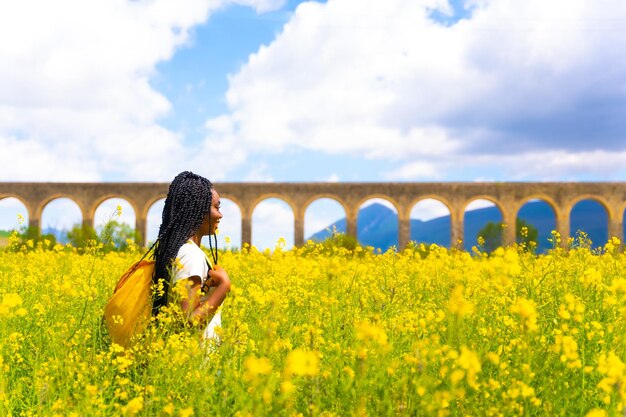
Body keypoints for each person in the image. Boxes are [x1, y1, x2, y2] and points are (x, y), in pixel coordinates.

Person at [152, 171, 231, 342]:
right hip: (193, 362)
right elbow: (188, 322)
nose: (220, 215)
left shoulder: (182, 251)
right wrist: (224, 287)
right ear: (199, 210)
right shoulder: (190, 256)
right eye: (216, 207)